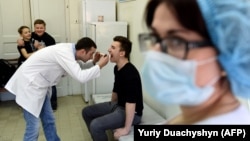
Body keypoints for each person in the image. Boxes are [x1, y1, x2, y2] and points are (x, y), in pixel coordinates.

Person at [140, 0, 250, 124]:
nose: (155, 52)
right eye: (155, 37)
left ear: (227, 54)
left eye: (176, 41)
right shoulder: (194, 115)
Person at [5, 37, 109, 141]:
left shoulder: (71, 52)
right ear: (82, 51)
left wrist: (94, 62)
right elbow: (81, 77)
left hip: (40, 87)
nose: (92, 56)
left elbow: (78, 67)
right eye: (91, 54)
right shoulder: (64, 53)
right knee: (33, 127)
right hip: (29, 86)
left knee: (49, 120)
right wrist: (100, 65)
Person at [82, 36, 143, 141]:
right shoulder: (117, 68)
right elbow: (116, 89)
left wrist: (126, 129)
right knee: (86, 112)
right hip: (118, 105)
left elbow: (131, 103)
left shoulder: (130, 73)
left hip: (132, 113)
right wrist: (110, 108)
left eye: (113, 47)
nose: (109, 49)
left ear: (122, 53)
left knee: (95, 125)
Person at [18, 19, 58, 110]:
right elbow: (23, 37)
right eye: (37, 28)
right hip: (32, 65)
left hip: (46, 64)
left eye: (41, 28)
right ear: (34, 28)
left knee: (51, 83)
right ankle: (33, 104)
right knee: (33, 84)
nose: (39, 29)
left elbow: (53, 54)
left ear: (45, 28)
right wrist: (19, 40)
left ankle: (53, 103)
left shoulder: (50, 39)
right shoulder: (31, 35)